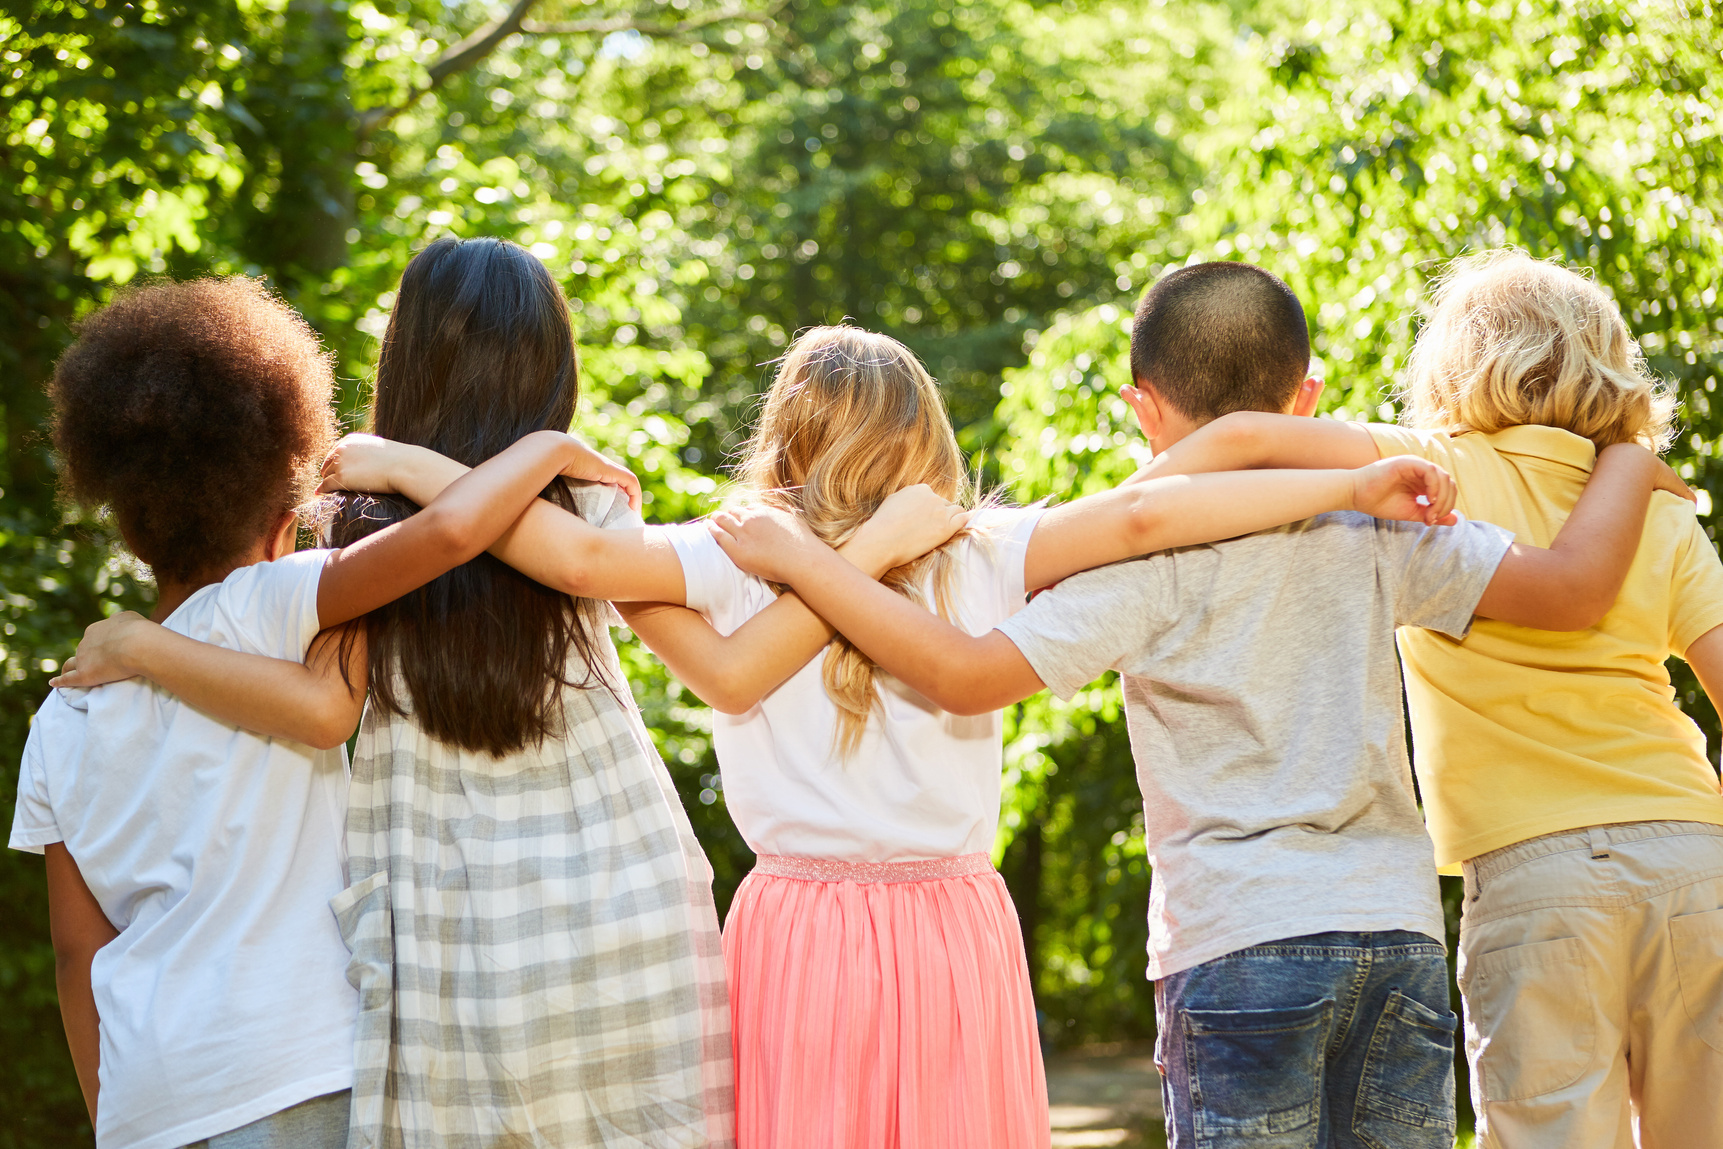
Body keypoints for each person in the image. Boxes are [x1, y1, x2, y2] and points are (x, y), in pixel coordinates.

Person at [271, 319, 1471, 1149]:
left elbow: (573, 554)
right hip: (954, 923)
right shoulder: (983, 549)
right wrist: (1350, 480)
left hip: (796, 927)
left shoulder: (726, 554)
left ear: (786, 438)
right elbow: (1159, 507)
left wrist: (409, 464)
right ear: (926, 431)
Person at [697, 265, 1682, 1149]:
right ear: (1308, 398)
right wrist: (1627, 452)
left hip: (1236, 936)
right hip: (1393, 932)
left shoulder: (1139, 558)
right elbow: (1567, 591)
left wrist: (814, 565)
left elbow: (963, 674)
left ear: (1141, 408)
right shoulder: (1377, 522)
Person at [49, 240, 974, 1149]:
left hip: (444, 912)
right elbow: (725, 667)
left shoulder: (351, 524)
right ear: (550, 372)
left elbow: (328, 700)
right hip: (619, 887)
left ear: (406, 364)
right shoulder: (585, 501)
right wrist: (866, 550)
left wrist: (148, 642)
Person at [10, 276, 630, 1149]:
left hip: (151, 1104)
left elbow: (78, 953)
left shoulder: (60, 719)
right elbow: (452, 533)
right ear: (280, 509)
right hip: (299, 1066)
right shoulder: (281, 602)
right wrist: (548, 447)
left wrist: (118, 1116)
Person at [1135, 250, 1723, 1147]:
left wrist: (1121, 510)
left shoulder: (1433, 465)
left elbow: (1246, 437)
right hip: (1693, 857)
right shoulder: (1661, 510)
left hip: (1536, 878)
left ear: (1454, 364)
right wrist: (1633, 467)